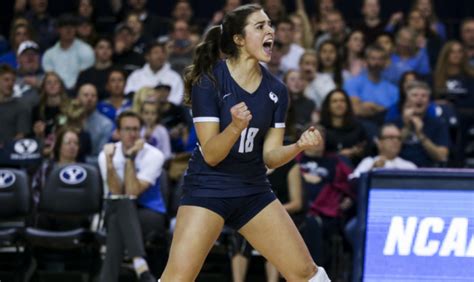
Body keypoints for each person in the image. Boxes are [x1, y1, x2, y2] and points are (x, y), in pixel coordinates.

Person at [159, 4, 331, 282]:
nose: (270, 30)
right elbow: (212, 155)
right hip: (209, 188)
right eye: (260, 26)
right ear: (239, 39)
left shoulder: (276, 90)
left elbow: (271, 157)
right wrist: (235, 128)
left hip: (253, 190)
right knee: (178, 278)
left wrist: (298, 146)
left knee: (308, 274)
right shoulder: (209, 82)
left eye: (270, 25)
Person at [98, 111, 167, 282]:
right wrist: (109, 162)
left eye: (136, 129)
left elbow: (131, 193)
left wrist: (130, 157)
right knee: (118, 214)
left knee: (117, 217)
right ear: (118, 132)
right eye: (127, 129)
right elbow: (115, 193)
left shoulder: (154, 155)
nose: (132, 134)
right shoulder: (106, 154)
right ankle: (141, 267)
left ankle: (111, 276)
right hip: (121, 209)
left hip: (150, 213)